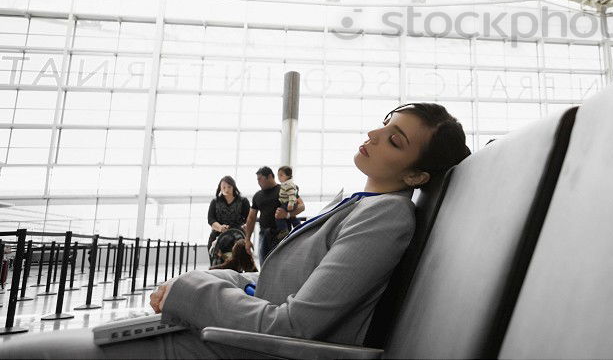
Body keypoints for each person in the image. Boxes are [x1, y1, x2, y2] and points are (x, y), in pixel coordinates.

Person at [0, 103, 471, 359]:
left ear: (415, 176)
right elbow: (277, 286)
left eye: (394, 140)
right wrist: (223, 281)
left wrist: (192, 289)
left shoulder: (385, 216)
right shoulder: (361, 203)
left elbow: (297, 325)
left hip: (245, 347)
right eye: (383, 124)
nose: (373, 135)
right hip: (229, 335)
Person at [243, 166, 303, 263]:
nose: (258, 182)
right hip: (264, 235)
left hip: (282, 234)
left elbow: (301, 206)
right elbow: (251, 218)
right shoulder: (257, 196)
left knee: (282, 265)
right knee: (264, 265)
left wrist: (287, 214)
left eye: (260, 179)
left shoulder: (285, 189)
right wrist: (247, 239)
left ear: (270, 176)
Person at [206, 176, 250, 260]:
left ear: (234, 187)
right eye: (223, 187)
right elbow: (210, 219)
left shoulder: (243, 201)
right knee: (217, 266)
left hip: (237, 237)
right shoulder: (215, 201)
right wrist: (220, 228)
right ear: (220, 188)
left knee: (235, 265)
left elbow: (249, 218)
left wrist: (246, 226)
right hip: (217, 237)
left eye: (229, 187)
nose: (226, 189)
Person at [274, 165, 300, 241]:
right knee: (292, 217)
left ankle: (284, 230)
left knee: (278, 215)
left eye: (281, 175)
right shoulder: (285, 184)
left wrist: (290, 204)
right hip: (287, 202)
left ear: (288, 176)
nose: (279, 177)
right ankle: (298, 226)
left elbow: (292, 195)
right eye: (278, 175)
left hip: (288, 203)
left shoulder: (288, 184)